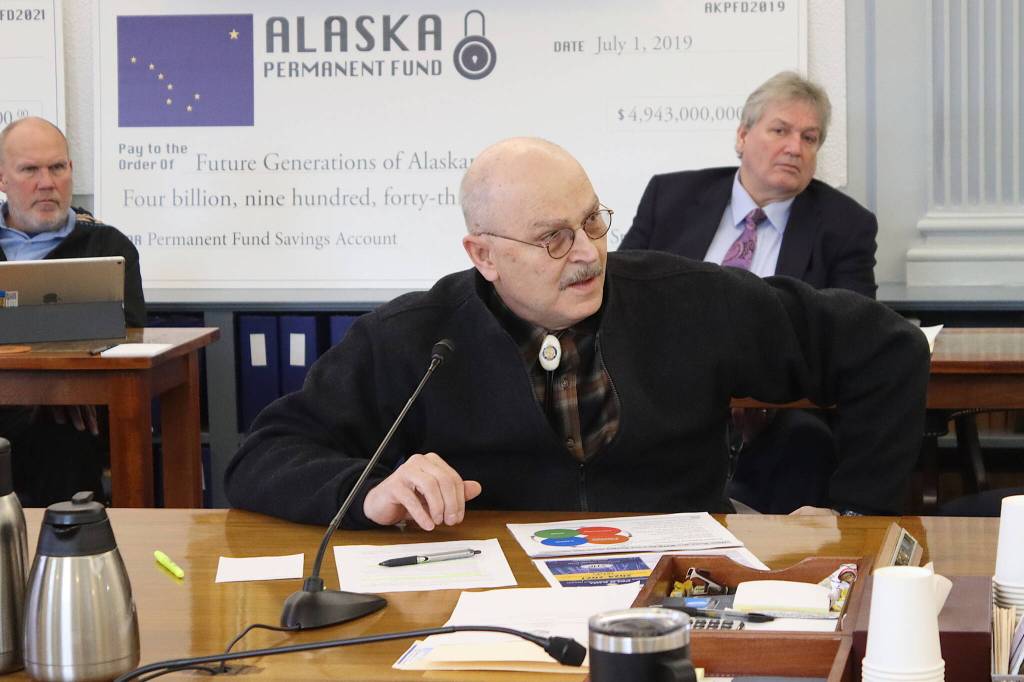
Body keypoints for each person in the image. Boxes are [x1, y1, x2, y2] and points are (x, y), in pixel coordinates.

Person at [225, 137, 929, 530]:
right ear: (484, 255)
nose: (590, 253)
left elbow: (885, 348)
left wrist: (858, 515)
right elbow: (264, 457)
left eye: (593, 221)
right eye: (553, 238)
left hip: (680, 591)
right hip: (492, 603)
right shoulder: (415, 338)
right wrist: (370, 487)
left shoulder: (685, 299)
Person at [619, 71, 878, 513]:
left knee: (805, 442)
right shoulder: (672, 197)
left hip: (780, 404)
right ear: (742, 136)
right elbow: (621, 297)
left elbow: (851, 329)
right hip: (668, 394)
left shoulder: (844, 225)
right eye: (780, 130)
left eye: (810, 137)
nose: (795, 147)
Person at [0, 116, 145, 505]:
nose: (46, 182)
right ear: (2, 179)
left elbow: (127, 333)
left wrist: (66, 385)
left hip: (73, 417)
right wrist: (44, 390)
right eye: (30, 169)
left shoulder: (107, 246)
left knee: (66, 431)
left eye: (57, 167)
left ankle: (70, 549)